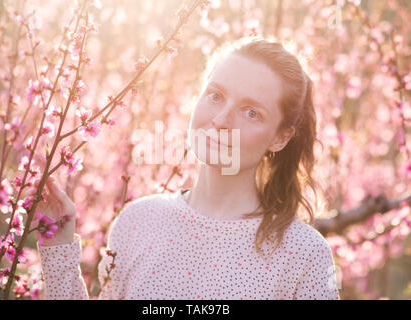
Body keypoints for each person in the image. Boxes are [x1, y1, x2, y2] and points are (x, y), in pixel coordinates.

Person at [36, 36, 341, 300]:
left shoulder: (304, 254)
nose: (221, 120)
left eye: (251, 112)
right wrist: (59, 245)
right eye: (215, 96)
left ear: (280, 137)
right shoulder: (137, 222)